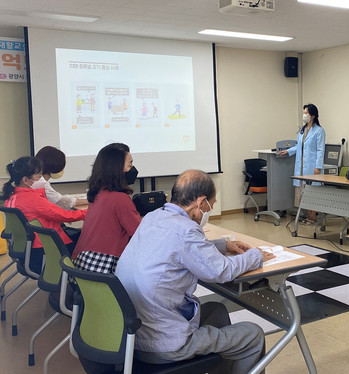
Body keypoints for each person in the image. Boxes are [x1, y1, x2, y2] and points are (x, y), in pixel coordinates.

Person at [115, 170, 275, 374]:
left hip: (134, 336)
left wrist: (222, 245)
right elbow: (222, 271)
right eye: (211, 205)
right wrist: (256, 255)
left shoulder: (153, 217)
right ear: (201, 203)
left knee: (216, 310)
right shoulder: (186, 229)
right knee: (253, 334)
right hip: (163, 343)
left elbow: (179, 249)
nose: (210, 210)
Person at [1, 157, 86, 273]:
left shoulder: (11, 196)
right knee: (87, 240)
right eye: (39, 176)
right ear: (26, 180)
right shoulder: (33, 199)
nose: (42, 179)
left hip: (28, 252)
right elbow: (65, 216)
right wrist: (90, 212)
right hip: (47, 252)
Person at [71, 144, 141, 274]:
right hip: (105, 268)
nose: (132, 169)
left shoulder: (98, 193)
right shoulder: (119, 199)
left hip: (83, 266)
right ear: (117, 169)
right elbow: (140, 234)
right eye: (130, 165)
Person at [279, 103, 325, 224]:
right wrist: (288, 151)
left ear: (313, 115)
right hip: (300, 167)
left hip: (312, 167)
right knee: (302, 192)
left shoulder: (319, 131)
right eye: (304, 113)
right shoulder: (302, 130)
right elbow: (299, 147)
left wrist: (318, 167)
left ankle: (313, 218)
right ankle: (307, 216)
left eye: (306, 113)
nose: (304, 115)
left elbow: (321, 150)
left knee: (312, 193)